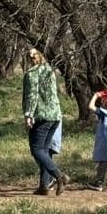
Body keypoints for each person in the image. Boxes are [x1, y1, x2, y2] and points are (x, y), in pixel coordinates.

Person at [22, 48, 68, 195]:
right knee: (45, 150)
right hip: (55, 115)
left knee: (36, 150)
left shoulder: (32, 73)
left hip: (41, 116)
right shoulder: (50, 70)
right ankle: (44, 185)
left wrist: (28, 115)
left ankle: (59, 176)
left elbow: (33, 95)